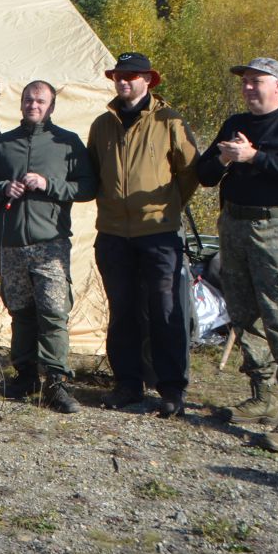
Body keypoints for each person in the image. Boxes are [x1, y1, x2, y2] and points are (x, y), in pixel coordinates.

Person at [196, 57, 278, 453]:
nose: (249, 88)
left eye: (257, 82)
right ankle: (260, 392)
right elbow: (203, 175)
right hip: (233, 224)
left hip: (276, 228)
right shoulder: (236, 123)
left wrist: (256, 159)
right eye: (246, 82)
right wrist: (223, 159)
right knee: (242, 311)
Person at [86, 51, 199, 418]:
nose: (124, 82)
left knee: (165, 310)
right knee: (123, 311)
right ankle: (127, 384)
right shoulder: (103, 124)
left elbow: (191, 171)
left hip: (158, 233)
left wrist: (168, 207)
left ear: (148, 80)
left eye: (132, 76)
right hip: (114, 232)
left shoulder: (169, 121)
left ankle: (171, 389)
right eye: (119, 75)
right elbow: (93, 173)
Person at [0, 81, 96, 412]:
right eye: (29, 100)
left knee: (54, 312)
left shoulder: (66, 144)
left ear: (52, 106)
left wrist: (49, 184)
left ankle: (55, 382)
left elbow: (88, 187)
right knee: (21, 311)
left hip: (50, 244)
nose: (34, 105)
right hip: (11, 243)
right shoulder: (4, 144)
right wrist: (2, 189)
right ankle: (24, 375)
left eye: (41, 101)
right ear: (21, 104)